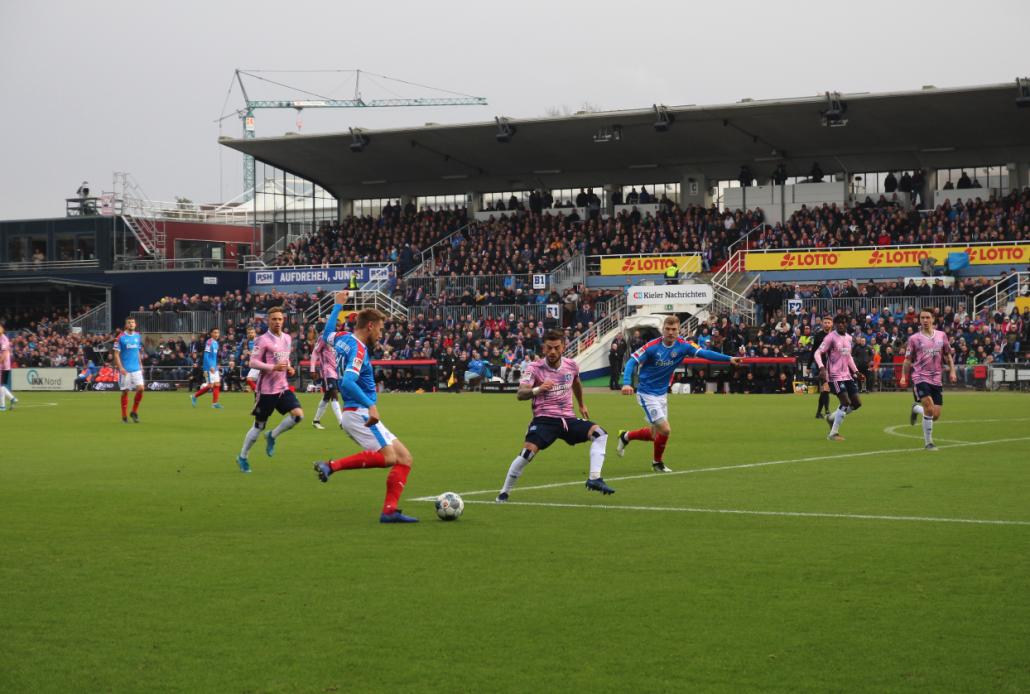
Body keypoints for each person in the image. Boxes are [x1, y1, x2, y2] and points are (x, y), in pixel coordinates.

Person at [312, 291, 419, 523]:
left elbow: (327, 333)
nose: (381, 335)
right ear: (370, 326)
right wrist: (371, 405)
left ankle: (389, 511)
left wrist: (337, 306)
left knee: (405, 458)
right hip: (358, 413)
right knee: (390, 458)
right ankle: (331, 465)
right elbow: (348, 382)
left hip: (355, 413)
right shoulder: (359, 349)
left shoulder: (343, 338)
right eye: (380, 329)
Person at [495, 329, 615, 502]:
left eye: (556, 348)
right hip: (544, 419)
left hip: (567, 419)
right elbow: (520, 394)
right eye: (549, 348)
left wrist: (581, 404)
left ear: (563, 347)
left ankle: (594, 478)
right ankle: (504, 492)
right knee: (527, 454)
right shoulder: (534, 368)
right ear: (543, 348)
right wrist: (538, 389)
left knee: (600, 433)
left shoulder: (571, 365)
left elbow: (576, 383)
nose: (552, 352)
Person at [617, 315, 741, 472]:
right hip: (646, 393)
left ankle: (626, 436)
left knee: (656, 434)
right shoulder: (652, 346)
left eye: (674, 329)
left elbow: (705, 354)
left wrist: (729, 359)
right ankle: (657, 463)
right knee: (666, 430)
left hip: (662, 394)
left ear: (679, 330)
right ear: (663, 330)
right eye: (667, 329)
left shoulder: (684, 345)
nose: (670, 332)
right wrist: (627, 383)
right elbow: (631, 362)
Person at [236, 306, 303, 472]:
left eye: (280, 319)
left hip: (282, 388)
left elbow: (283, 358)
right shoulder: (262, 340)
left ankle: (272, 436)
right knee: (259, 426)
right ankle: (243, 457)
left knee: (298, 416)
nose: (277, 322)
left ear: (283, 320)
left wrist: (289, 367)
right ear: (268, 321)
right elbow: (253, 362)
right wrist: (272, 367)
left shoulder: (287, 338)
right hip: (266, 391)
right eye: (274, 319)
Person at [899, 309, 958, 450]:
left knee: (935, 415)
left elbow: (948, 355)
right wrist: (903, 376)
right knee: (930, 409)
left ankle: (916, 409)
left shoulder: (942, 336)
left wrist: (953, 371)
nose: (925, 320)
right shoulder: (914, 339)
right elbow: (907, 360)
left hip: (936, 378)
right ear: (919, 320)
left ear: (933, 319)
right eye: (922, 318)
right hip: (920, 377)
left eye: (927, 317)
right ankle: (928, 442)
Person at [814, 315, 862, 442]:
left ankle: (831, 417)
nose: (841, 324)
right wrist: (822, 368)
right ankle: (833, 433)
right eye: (838, 323)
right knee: (845, 402)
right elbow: (817, 353)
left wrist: (856, 371)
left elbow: (848, 357)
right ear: (835, 324)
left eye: (843, 322)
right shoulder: (830, 337)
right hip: (834, 375)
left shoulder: (849, 338)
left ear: (847, 324)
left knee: (857, 403)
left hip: (847, 375)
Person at [309, 314, 345, 430]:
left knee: (327, 396)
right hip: (327, 370)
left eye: (340, 325)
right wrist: (312, 369)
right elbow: (315, 352)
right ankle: (342, 422)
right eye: (337, 325)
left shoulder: (337, 337)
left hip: (335, 370)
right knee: (334, 394)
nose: (339, 327)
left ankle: (316, 420)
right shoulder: (323, 337)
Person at [112, 318, 145, 423]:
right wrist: (120, 367)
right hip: (125, 370)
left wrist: (141, 365)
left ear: (135, 324)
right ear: (126, 325)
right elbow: (116, 354)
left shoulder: (137, 336)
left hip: (136, 369)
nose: (131, 324)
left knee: (141, 389)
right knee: (125, 392)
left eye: (133, 322)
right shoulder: (120, 338)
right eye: (129, 322)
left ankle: (134, 412)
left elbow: (137, 352)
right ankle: (124, 416)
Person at [191, 328, 223, 409]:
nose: (217, 334)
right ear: (211, 334)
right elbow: (206, 356)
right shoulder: (209, 342)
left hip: (214, 367)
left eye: (218, 333)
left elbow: (214, 357)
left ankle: (214, 403)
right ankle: (194, 396)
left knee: (217, 384)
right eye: (215, 332)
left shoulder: (216, 343)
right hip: (208, 367)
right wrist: (210, 366)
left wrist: (216, 365)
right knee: (210, 385)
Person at [811, 316, 834, 419]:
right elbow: (814, 351)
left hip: (833, 366)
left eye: (829, 323)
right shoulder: (818, 336)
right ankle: (825, 411)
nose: (827, 324)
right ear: (822, 324)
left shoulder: (835, 336)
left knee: (826, 390)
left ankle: (821, 412)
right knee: (826, 389)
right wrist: (809, 365)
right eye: (825, 322)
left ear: (832, 324)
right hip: (822, 366)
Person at [0, 323, 15, 411]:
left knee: (1, 386)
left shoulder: (4, 339)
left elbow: (5, 353)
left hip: (4, 366)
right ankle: (12, 398)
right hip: (3, 365)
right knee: (1, 386)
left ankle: (2, 406)